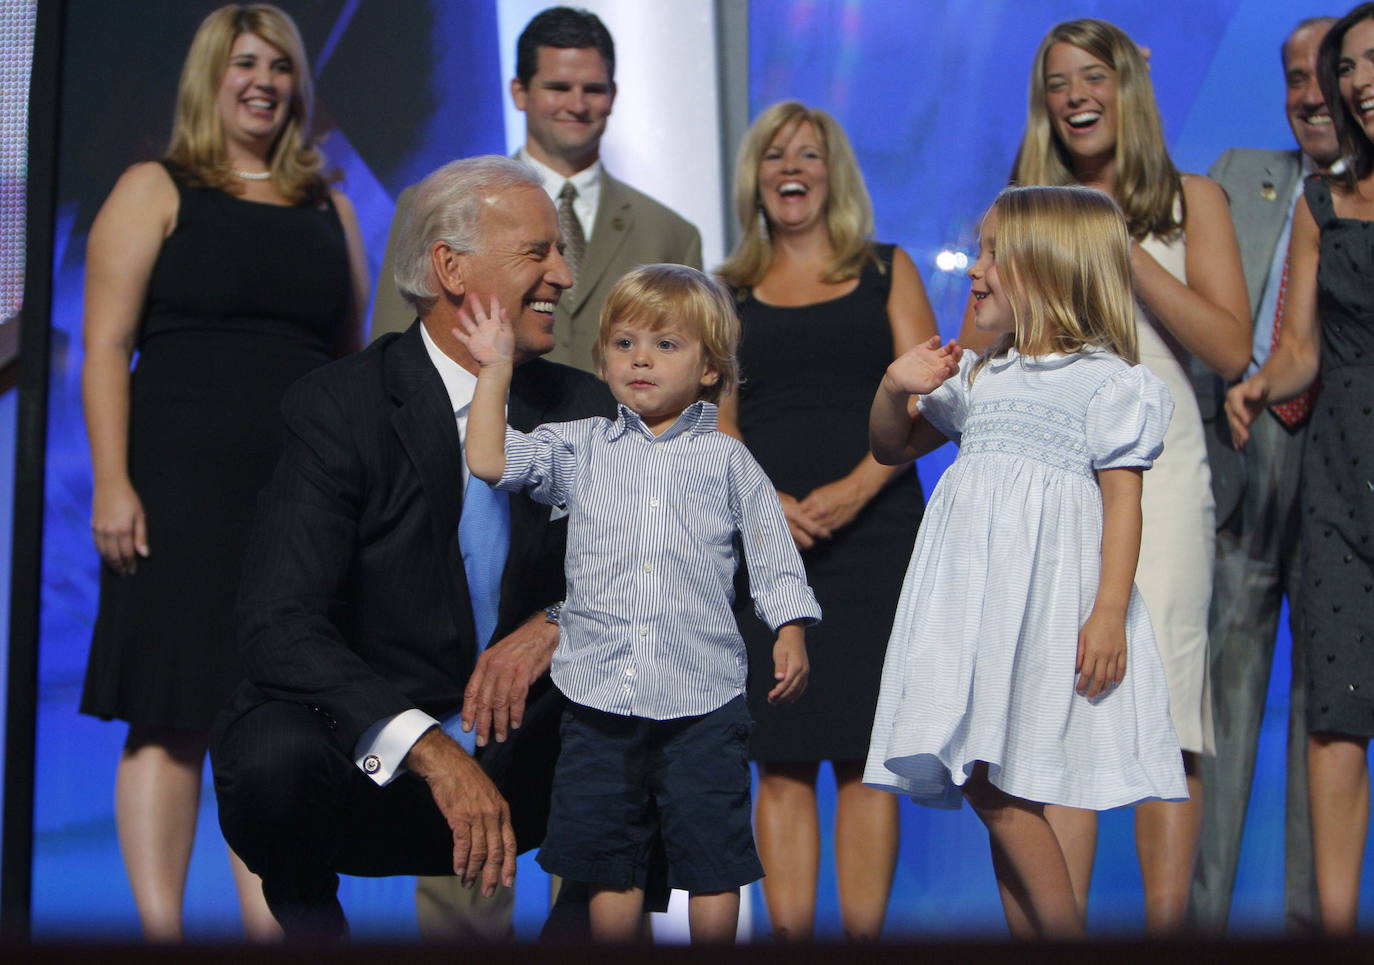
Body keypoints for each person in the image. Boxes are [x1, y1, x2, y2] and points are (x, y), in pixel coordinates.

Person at [209, 154, 616, 937]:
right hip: (382, 753)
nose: (564, 275)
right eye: (538, 252)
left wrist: (557, 623)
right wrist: (427, 746)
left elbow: (662, 570)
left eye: (558, 252)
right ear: (451, 268)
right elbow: (278, 621)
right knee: (267, 752)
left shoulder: (582, 406)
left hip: (524, 740)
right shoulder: (339, 407)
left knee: (667, 713)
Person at [78, 3, 367, 941]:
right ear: (212, 76)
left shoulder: (332, 202)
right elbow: (103, 347)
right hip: (176, 498)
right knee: (169, 716)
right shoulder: (154, 188)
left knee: (281, 721)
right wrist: (114, 484)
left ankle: (272, 923)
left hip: (296, 503)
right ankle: (162, 929)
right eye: (245, 62)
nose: (265, 81)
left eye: (280, 65)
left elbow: (350, 357)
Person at [959, 18, 1252, 932]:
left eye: (1095, 77)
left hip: (1157, 483)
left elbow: (1230, 347)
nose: (1077, 95)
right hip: (1042, 486)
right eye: (1058, 82)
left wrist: (1115, 249)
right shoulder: (1024, 208)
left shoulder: (1190, 200)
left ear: (1130, 86)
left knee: (1170, 720)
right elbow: (976, 349)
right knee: (1048, 720)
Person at [455, 262, 821, 943]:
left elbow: (773, 552)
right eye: (624, 344)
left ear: (711, 369)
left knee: (714, 857)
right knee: (605, 856)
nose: (641, 359)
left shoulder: (727, 459)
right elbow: (489, 460)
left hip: (703, 700)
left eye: (665, 344)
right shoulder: (581, 446)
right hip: (600, 700)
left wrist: (791, 628)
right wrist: (494, 369)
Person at [864, 184, 1187, 940]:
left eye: (993, 254)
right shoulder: (980, 376)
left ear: (1049, 268)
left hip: (1045, 612)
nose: (974, 270)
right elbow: (889, 446)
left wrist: (1108, 610)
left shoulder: (1107, 383)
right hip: (976, 614)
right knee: (992, 784)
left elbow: (1123, 503)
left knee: (1002, 785)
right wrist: (891, 387)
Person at [715, 101, 936, 941]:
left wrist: (854, 488)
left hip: (876, 534)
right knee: (781, 754)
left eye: (807, 154)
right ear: (756, 177)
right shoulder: (727, 287)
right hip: (766, 547)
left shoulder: (888, 269)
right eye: (774, 156)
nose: (789, 168)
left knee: (867, 758)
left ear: (832, 172)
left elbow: (928, 404)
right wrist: (766, 507)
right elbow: (718, 416)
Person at [1225, 2, 1374, 935]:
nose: (1359, 80)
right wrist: (1253, 385)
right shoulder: (1326, 198)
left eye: (1372, 59)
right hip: (1341, 478)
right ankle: (1335, 929)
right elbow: (1305, 348)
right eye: (1349, 66)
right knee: (1336, 716)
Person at [1190, 15, 1339, 934]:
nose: (1310, 93)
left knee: (1328, 736)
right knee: (1218, 730)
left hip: (1344, 491)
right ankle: (1198, 929)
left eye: (1328, 72)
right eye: (1294, 77)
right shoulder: (1236, 178)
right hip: (1240, 482)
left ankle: (1314, 933)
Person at [371, 5, 702, 373]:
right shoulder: (432, 206)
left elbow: (691, 375)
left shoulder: (671, 235)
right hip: (475, 426)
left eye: (593, 89)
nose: (577, 105)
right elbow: (394, 352)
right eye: (559, 88)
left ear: (613, 96)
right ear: (519, 92)